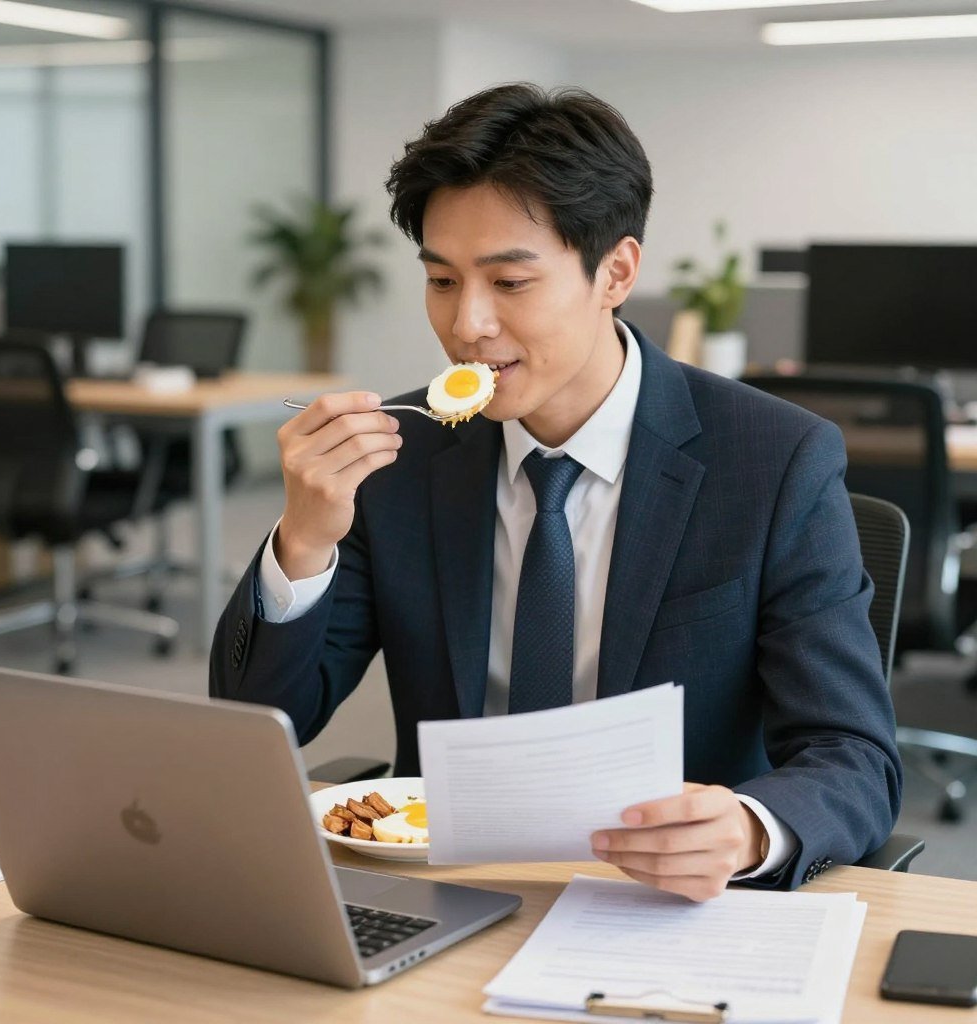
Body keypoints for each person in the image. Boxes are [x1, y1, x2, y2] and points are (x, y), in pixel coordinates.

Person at [210, 83, 901, 901]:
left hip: (660, 902)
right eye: (441, 281)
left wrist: (751, 827)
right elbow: (255, 722)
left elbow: (854, 758)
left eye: (508, 284)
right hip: (446, 886)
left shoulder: (775, 460)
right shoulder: (401, 456)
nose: (466, 324)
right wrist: (305, 540)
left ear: (616, 272)